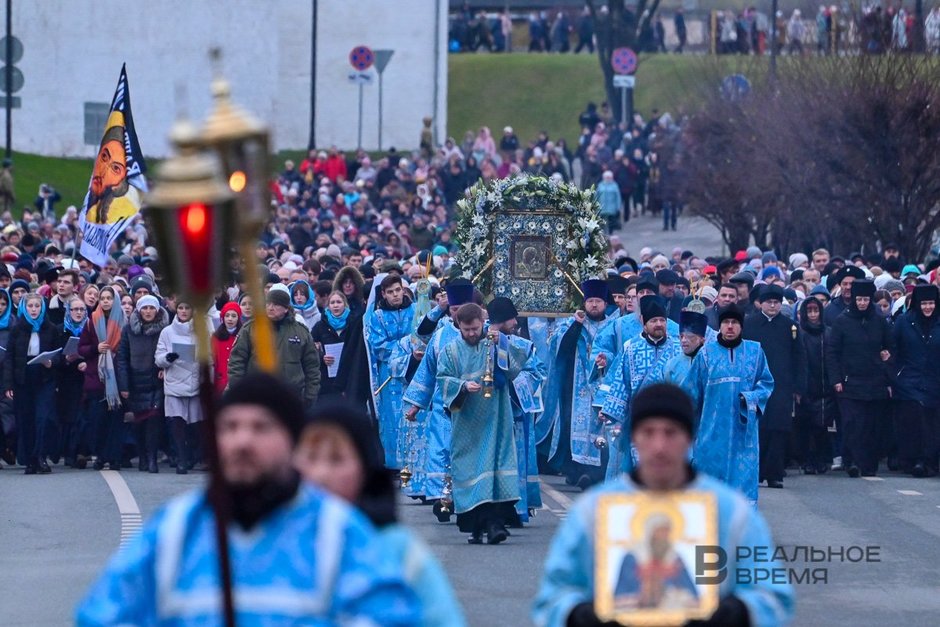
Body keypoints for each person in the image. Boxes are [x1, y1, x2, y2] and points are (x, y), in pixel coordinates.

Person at [76, 373, 420, 626]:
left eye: (260, 427)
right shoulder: (175, 531)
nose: (242, 441)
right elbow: (103, 615)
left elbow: (389, 616)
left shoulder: (337, 533)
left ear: (293, 443)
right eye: (230, 427)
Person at [532, 383, 795, 627]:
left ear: (690, 438)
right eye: (648, 432)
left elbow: (772, 595)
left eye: (671, 433)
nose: (659, 446)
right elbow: (553, 597)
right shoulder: (593, 512)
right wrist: (580, 615)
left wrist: (736, 612)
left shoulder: (731, 513)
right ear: (634, 438)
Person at [295, 401, 467, 627]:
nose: (321, 474)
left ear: (365, 467)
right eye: (311, 457)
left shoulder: (396, 548)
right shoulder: (279, 537)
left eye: (336, 459)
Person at [436, 303, 539, 544]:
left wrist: (502, 342)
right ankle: (477, 528)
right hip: (468, 423)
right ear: (458, 326)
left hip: (496, 419)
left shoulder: (494, 342)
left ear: (483, 323)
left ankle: (494, 525)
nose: (472, 333)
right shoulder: (450, 351)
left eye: (475, 328)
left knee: (494, 468)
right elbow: (442, 379)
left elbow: (516, 365)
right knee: (469, 469)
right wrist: (461, 386)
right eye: (466, 329)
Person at [682, 305, 774, 504]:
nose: (730, 327)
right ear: (720, 326)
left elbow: (766, 384)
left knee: (742, 488)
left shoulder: (755, 351)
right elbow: (690, 392)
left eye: (734, 323)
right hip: (710, 435)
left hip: (744, 435)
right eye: (726, 322)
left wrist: (750, 398)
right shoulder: (706, 354)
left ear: (741, 326)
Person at [402, 279, 476, 514]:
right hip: (442, 404)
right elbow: (427, 371)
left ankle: (465, 497)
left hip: (473, 406)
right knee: (439, 449)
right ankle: (440, 499)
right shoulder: (441, 335)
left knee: (466, 452)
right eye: (454, 310)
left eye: (462, 309)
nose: (458, 315)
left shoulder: (479, 333)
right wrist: (415, 404)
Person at [539, 280, 616, 489]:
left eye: (598, 301)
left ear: (605, 303)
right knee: (572, 425)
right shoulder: (573, 322)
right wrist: (576, 326)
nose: (593, 305)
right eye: (590, 301)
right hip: (574, 384)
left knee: (599, 426)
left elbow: (616, 351)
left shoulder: (613, 326)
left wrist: (606, 359)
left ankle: (595, 472)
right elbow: (558, 347)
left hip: (602, 383)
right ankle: (574, 470)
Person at [598, 296, 680, 481]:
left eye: (662, 320)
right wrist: (610, 411)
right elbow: (622, 382)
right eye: (654, 321)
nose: (659, 324)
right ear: (643, 322)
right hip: (640, 421)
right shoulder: (632, 348)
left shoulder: (678, 348)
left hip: (671, 419)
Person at [486, 296, 546, 523]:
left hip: (516, 412)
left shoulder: (522, 345)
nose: (515, 323)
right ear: (503, 319)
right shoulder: (482, 340)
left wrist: (515, 380)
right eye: (512, 318)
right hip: (489, 412)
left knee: (517, 461)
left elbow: (536, 373)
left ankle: (515, 509)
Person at [826, 279, 893, 478]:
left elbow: (889, 346)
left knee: (872, 425)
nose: (862, 303)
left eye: (865, 299)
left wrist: (887, 360)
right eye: (859, 299)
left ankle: (869, 463)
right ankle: (852, 461)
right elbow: (832, 352)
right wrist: (836, 379)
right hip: (849, 382)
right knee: (853, 423)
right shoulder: (842, 321)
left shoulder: (879, 320)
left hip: (874, 381)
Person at [743, 284, 807, 489]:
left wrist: (799, 387)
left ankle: (774, 473)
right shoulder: (749, 324)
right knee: (757, 428)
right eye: (769, 302)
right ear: (760, 303)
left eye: (776, 302)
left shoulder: (790, 326)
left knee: (779, 429)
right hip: (754, 385)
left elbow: (800, 358)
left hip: (782, 385)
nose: (772, 305)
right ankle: (755, 471)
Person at [228, 288, 321, 406]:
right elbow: (236, 362)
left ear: (286, 308)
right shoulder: (250, 329)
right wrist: (239, 392)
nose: (270, 307)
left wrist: (310, 396)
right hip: (257, 396)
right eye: (268, 304)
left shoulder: (300, 331)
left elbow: (312, 366)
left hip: (291, 397)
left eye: (276, 304)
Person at [3, 293, 61, 474]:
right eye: (30, 306)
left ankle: (41, 456)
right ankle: (29, 459)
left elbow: (59, 354)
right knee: (26, 420)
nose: (34, 310)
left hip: (44, 378)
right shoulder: (17, 329)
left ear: (42, 308)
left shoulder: (50, 328)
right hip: (23, 380)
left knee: (42, 418)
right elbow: (9, 359)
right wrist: (8, 385)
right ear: (24, 309)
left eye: (37, 306)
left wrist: (51, 362)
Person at [365, 274, 415, 467]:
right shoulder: (377, 317)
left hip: (416, 368)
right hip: (390, 373)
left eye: (398, 290)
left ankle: (416, 459)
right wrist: (407, 346)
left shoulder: (416, 310)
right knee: (393, 416)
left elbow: (423, 336)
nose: (395, 295)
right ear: (384, 294)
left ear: (403, 290)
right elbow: (378, 346)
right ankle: (395, 463)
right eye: (390, 292)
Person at [116, 295, 169, 474]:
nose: (148, 312)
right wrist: (123, 385)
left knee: (154, 419)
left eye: (151, 308)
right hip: (135, 381)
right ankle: (143, 457)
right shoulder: (128, 330)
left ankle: (152, 457)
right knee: (139, 422)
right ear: (139, 310)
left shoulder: (165, 330)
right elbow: (122, 358)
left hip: (156, 381)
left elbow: (170, 352)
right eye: (144, 308)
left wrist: (165, 367)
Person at [892, 284, 940, 477]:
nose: (928, 307)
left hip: (935, 380)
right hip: (909, 381)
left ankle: (928, 460)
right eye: (924, 303)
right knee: (913, 422)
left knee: (932, 425)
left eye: (931, 303)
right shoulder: (904, 322)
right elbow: (894, 349)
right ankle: (913, 460)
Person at [78, 285, 125, 471]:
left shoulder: (123, 321)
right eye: (102, 298)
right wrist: (95, 349)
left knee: (115, 421)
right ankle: (100, 456)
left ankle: (114, 457)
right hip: (97, 379)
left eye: (109, 298)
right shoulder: (92, 321)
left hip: (117, 379)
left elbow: (127, 349)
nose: (105, 301)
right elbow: (81, 348)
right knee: (98, 421)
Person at [155, 300, 204, 475]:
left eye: (187, 307)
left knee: (194, 425)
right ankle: (181, 459)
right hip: (174, 382)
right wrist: (168, 358)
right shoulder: (167, 332)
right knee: (177, 422)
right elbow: (158, 357)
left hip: (195, 381)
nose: (183, 311)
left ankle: (191, 457)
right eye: (181, 308)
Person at [796, 296, 835, 475]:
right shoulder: (799, 333)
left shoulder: (828, 332)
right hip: (806, 386)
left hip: (825, 385)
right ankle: (808, 460)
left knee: (822, 426)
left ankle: (820, 459)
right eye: (809, 311)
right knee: (806, 426)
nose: (812, 315)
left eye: (816, 310)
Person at [57, 295, 88, 468]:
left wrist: (86, 360)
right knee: (69, 418)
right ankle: (69, 453)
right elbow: (55, 355)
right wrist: (67, 360)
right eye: (75, 309)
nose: (78, 312)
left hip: (86, 377)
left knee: (83, 418)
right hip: (67, 380)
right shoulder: (60, 329)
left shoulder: (90, 329)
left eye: (81, 309)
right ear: (68, 311)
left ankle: (81, 452)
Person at [211, 301, 242, 396]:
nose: (230, 319)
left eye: (233, 316)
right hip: (219, 385)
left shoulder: (243, 336)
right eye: (227, 315)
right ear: (223, 318)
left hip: (237, 384)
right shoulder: (215, 337)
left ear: (238, 318)